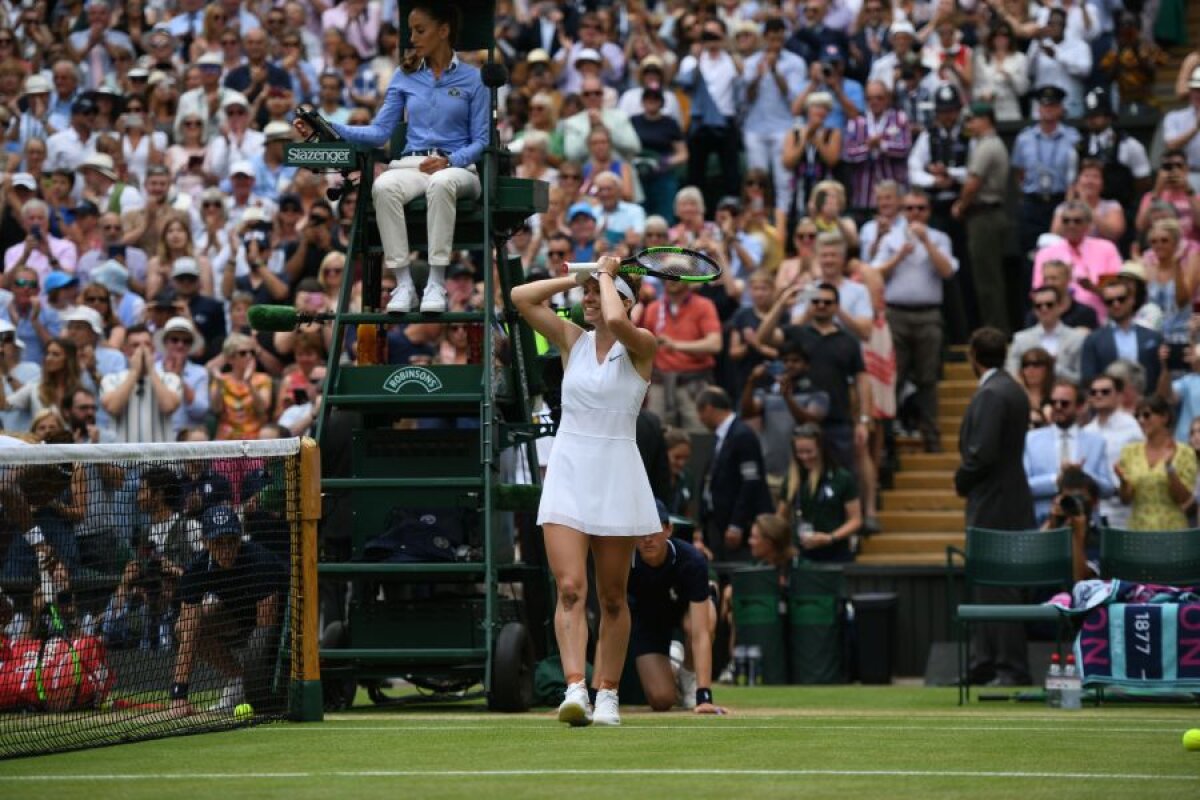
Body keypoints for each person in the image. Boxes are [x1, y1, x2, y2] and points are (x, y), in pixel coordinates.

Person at [511, 254, 659, 727]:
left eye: (596, 292)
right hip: (570, 469)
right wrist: (577, 275)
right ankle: (576, 688)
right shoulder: (571, 341)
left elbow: (616, 318)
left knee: (612, 597)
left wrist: (607, 276)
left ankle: (608, 694)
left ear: (624, 296)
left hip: (617, 469)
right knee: (571, 588)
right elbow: (520, 297)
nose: (588, 299)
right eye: (586, 293)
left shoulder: (642, 345)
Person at [300, 5, 486, 315]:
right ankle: (404, 284)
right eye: (410, 30)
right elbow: (379, 132)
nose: (412, 37)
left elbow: (482, 140)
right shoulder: (405, 75)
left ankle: (436, 281)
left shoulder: (474, 79)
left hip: (458, 169)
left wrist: (451, 160)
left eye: (420, 30)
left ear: (443, 31)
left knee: (441, 183)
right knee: (384, 186)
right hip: (412, 165)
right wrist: (327, 126)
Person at [954, 327, 1036, 687]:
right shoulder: (1012, 389)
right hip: (1010, 499)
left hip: (994, 503)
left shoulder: (991, 393)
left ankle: (1006, 667)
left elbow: (982, 453)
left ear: (973, 355)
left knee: (996, 587)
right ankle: (986, 664)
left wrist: (962, 478)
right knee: (994, 585)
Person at [168, 505, 287, 716]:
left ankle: (252, 687)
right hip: (240, 617)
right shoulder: (196, 571)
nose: (226, 549)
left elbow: (264, 632)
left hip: (282, 623)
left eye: (231, 541)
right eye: (218, 543)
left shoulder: (260, 562)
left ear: (240, 538)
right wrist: (179, 697)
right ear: (204, 542)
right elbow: (187, 634)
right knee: (183, 628)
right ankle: (237, 679)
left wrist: (256, 683)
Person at [873, 189, 958, 452]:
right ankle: (886, 440)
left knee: (927, 379)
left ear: (929, 211)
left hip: (928, 314)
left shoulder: (940, 238)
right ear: (902, 211)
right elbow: (874, 273)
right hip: (895, 314)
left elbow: (948, 271)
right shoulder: (890, 239)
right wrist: (898, 256)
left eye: (920, 208)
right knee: (892, 379)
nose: (915, 214)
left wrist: (927, 244)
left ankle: (930, 437)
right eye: (910, 208)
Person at [628, 501, 724, 714]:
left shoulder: (692, 560)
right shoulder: (625, 563)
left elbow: (700, 633)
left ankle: (690, 676)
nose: (647, 538)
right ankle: (672, 666)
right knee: (662, 701)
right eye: (641, 531)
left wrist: (704, 696)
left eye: (654, 529)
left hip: (685, 614)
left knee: (704, 617)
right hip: (649, 623)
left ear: (668, 529)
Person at [951, 101, 1010, 334]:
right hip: (988, 214)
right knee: (987, 277)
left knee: (988, 280)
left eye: (972, 120)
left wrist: (960, 205)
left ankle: (995, 331)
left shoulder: (987, 146)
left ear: (985, 120)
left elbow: (973, 183)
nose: (969, 125)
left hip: (984, 215)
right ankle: (994, 328)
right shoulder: (989, 144)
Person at [696, 385, 774, 563]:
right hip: (719, 522)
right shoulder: (722, 436)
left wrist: (736, 524)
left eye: (700, 413)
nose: (700, 419)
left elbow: (751, 481)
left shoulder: (742, 435)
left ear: (708, 408)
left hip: (739, 526)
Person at [1022, 379, 1114, 523]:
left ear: (1079, 407)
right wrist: (1056, 479)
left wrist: (1082, 476)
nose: (1058, 407)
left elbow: (1108, 489)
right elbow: (1022, 487)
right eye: (1053, 403)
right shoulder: (1031, 440)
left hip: (1085, 524)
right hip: (1043, 523)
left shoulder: (1096, 442)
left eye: (1064, 403)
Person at [1116, 395, 1198, 531]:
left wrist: (1169, 469)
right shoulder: (1129, 452)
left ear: (1164, 417)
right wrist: (1123, 482)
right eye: (1137, 416)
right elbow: (1126, 500)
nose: (1141, 420)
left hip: (1172, 529)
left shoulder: (1185, 452)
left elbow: (1184, 499)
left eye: (1147, 415)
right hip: (1139, 528)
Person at [780, 423, 861, 563]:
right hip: (801, 554)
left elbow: (855, 520)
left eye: (809, 451)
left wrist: (830, 537)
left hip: (835, 555)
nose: (804, 457)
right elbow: (780, 518)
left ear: (820, 448)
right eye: (799, 452)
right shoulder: (792, 479)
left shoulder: (841, 477)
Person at [1080, 279, 1164, 393]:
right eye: (1109, 301)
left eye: (1121, 299)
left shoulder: (1153, 337)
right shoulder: (1094, 340)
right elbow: (1088, 380)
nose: (1116, 304)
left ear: (1132, 300)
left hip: (1145, 403)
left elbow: (1159, 376)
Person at [1084, 373, 1142, 530]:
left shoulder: (1133, 428)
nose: (1098, 395)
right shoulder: (1086, 431)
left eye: (1105, 391)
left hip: (1124, 507)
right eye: (1094, 392)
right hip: (1094, 509)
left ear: (1118, 395)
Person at [1006, 285, 1088, 385]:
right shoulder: (1020, 339)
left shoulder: (1077, 338)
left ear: (1060, 306)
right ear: (1034, 310)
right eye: (1038, 306)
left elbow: (1082, 379)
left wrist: (1055, 368)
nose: (1044, 309)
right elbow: (1012, 375)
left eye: (1049, 305)